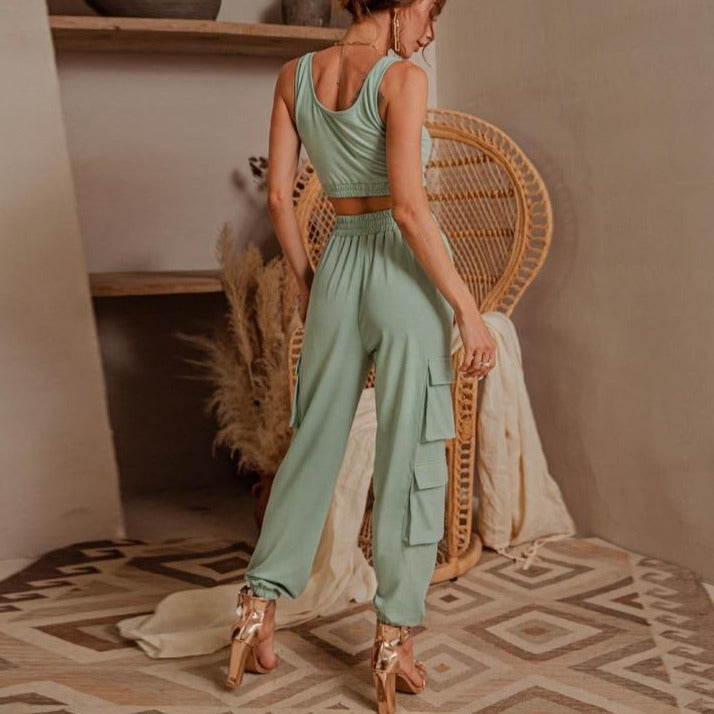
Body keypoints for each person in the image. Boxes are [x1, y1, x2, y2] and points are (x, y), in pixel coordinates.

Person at [225, 1, 496, 711]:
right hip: (403, 274)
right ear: (401, 4)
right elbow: (408, 207)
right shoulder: (402, 79)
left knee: (314, 441)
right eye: (429, 12)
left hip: (337, 268)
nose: (429, 33)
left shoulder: (293, 75)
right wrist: (467, 310)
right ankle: (392, 639)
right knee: (410, 450)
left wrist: (308, 282)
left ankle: (256, 608)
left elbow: (280, 197)